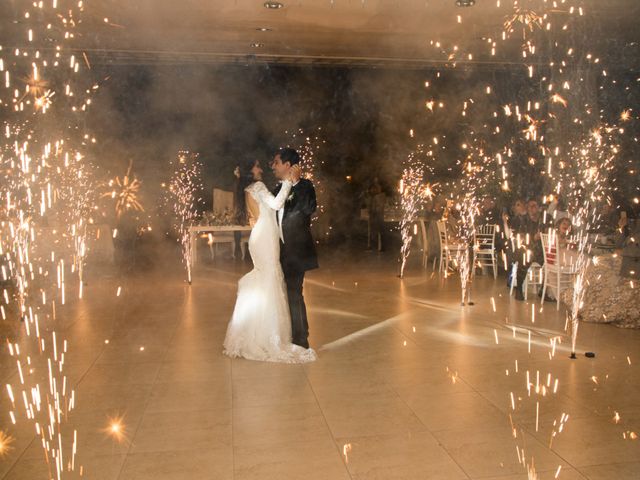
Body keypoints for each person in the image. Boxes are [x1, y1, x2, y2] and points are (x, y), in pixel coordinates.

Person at [223, 157, 316, 363]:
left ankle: (257, 332)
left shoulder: (246, 188)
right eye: (256, 166)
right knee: (270, 280)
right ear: (250, 171)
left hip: (260, 236)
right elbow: (275, 204)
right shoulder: (257, 185)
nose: (261, 168)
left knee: (266, 279)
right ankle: (268, 336)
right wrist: (288, 182)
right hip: (265, 238)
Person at [271, 148, 319, 349]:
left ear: (288, 165)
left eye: (276, 162)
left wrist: (297, 184)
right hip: (281, 251)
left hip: (297, 250)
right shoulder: (277, 190)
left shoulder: (305, 185)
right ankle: (296, 333)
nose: (272, 166)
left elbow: (309, 208)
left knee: (293, 292)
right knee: (289, 293)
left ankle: (301, 340)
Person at [366, 176, 386, 252]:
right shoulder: (374, 197)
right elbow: (371, 206)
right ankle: (375, 246)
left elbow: (378, 206)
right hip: (375, 215)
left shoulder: (380, 197)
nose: (373, 190)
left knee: (380, 230)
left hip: (378, 215)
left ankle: (381, 247)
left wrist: (374, 210)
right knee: (374, 231)